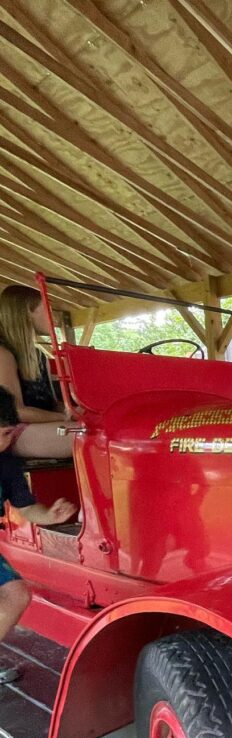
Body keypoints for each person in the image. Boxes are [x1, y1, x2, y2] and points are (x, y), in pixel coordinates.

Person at [0, 386, 77, 681]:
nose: (10, 440)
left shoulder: (6, 464)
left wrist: (48, 515)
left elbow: (25, 506)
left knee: (16, 594)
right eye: (5, 433)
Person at [0, 285, 73, 459]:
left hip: (40, 425)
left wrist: (74, 411)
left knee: (103, 431)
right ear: (27, 312)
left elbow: (50, 403)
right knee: (90, 440)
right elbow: (15, 411)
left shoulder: (38, 356)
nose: (54, 317)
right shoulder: (3, 353)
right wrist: (63, 417)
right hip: (10, 431)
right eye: (47, 309)